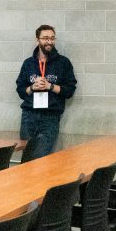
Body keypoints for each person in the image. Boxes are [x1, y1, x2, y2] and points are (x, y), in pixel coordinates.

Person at [15, 24, 77, 157]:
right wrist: (32, 87)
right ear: (37, 40)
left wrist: (50, 86)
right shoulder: (28, 63)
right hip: (29, 116)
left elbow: (70, 90)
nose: (49, 41)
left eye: (52, 38)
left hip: (50, 117)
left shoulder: (63, 63)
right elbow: (20, 90)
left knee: (41, 158)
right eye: (45, 38)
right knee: (27, 158)